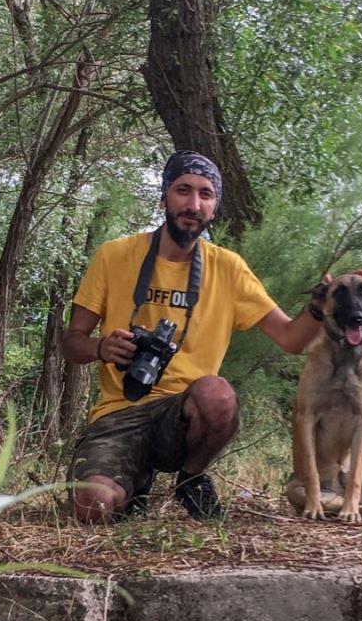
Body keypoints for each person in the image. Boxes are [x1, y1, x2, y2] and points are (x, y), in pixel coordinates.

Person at [61, 150, 325, 522]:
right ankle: (133, 482)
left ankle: (192, 477)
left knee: (216, 392)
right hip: (119, 413)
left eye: (206, 194)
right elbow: (71, 342)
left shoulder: (228, 268)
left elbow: (292, 339)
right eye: (183, 190)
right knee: (93, 506)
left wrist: (319, 309)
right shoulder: (114, 256)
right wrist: (101, 347)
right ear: (164, 197)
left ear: (214, 207)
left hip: (184, 414)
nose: (193, 203)